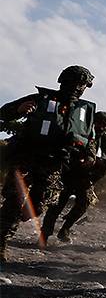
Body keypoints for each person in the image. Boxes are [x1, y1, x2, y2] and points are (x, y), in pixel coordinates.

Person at [0, 65, 96, 264]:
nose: (78, 88)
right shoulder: (41, 99)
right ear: (62, 82)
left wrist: (89, 156)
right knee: (14, 202)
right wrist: (19, 109)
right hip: (26, 157)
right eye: (74, 83)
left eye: (82, 85)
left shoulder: (84, 112)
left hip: (53, 163)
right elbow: (4, 112)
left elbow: (90, 139)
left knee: (37, 206)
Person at [40, 111, 106, 243]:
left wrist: (100, 169)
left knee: (84, 202)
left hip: (86, 179)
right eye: (99, 123)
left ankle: (65, 229)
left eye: (105, 126)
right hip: (68, 174)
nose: (101, 127)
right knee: (57, 205)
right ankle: (45, 234)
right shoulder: (80, 133)